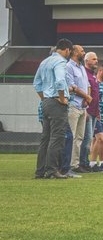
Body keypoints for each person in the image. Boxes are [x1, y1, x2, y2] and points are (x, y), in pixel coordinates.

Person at [34, 39, 73, 179]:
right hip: (57, 103)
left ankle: (40, 171)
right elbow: (60, 81)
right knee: (57, 138)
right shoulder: (61, 62)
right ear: (67, 50)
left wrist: (44, 98)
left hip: (46, 102)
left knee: (45, 138)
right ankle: (52, 170)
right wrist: (62, 98)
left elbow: (37, 83)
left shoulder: (44, 62)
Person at [65, 44, 91, 174]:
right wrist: (86, 96)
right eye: (82, 51)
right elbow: (72, 86)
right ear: (75, 52)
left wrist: (87, 98)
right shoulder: (69, 67)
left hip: (82, 106)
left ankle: (75, 164)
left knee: (79, 137)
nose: (83, 52)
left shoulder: (81, 67)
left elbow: (87, 85)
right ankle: (67, 165)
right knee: (71, 136)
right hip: (73, 105)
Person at [78, 52, 100, 173]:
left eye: (96, 59)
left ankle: (84, 163)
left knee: (89, 139)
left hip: (94, 111)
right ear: (87, 61)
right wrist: (85, 110)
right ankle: (82, 163)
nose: (96, 61)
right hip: (87, 111)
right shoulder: (84, 74)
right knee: (86, 140)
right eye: (94, 59)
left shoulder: (93, 75)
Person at [89, 64, 103, 172]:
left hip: (101, 116)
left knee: (97, 139)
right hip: (94, 114)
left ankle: (93, 162)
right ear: (100, 71)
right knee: (99, 138)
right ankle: (92, 163)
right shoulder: (95, 82)